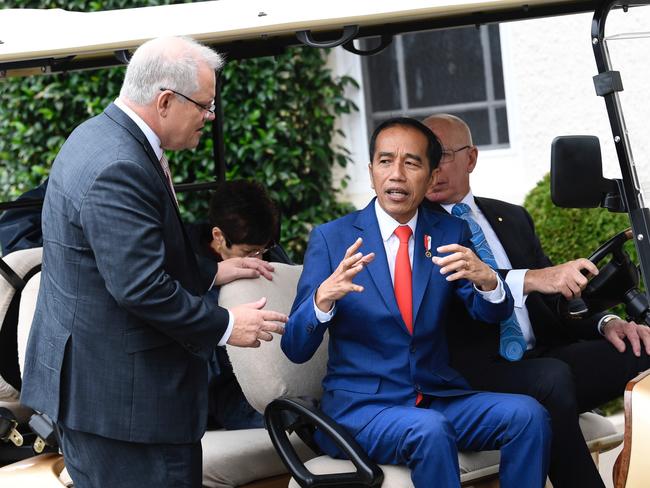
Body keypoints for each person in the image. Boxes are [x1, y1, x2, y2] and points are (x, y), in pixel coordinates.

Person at [20, 36, 287, 488]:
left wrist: (211, 271)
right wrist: (225, 325)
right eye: (205, 105)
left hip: (101, 393)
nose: (210, 116)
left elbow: (130, 250)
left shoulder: (96, 136)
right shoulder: (118, 165)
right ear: (165, 101)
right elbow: (140, 287)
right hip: (126, 407)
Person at [281, 117, 551, 488]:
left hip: (436, 397)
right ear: (371, 170)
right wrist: (321, 301)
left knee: (527, 414)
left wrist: (491, 284)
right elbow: (295, 347)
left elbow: (487, 313)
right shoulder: (333, 239)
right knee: (429, 430)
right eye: (385, 161)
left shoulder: (448, 232)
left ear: (429, 175)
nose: (397, 175)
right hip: (362, 410)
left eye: (411, 163)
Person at [422, 113, 650, 488]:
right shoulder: (419, 229)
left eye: (441, 154)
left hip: (538, 356)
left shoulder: (510, 217)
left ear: (471, 158)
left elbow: (556, 303)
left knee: (640, 349)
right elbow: (453, 293)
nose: (431, 167)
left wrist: (607, 323)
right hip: (472, 370)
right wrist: (533, 279)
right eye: (423, 156)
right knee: (551, 380)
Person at [186, 179, 291, 430]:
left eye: (264, 249)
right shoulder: (186, 271)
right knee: (291, 422)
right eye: (249, 252)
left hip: (283, 371)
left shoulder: (270, 255)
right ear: (218, 237)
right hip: (224, 391)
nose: (259, 259)